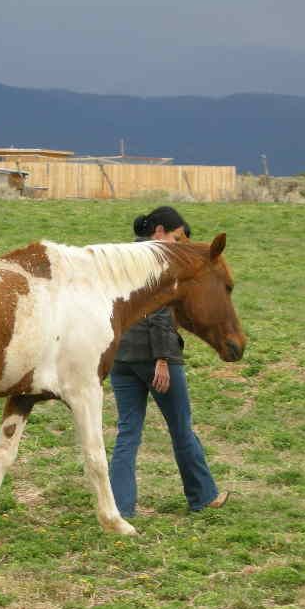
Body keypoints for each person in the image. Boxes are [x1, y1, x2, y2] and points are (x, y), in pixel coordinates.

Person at [107, 206, 229, 518]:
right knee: (181, 427)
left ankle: (120, 507)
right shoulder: (158, 260)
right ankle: (203, 496)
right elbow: (160, 314)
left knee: (127, 433)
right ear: (159, 231)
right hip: (154, 357)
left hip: (121, 357)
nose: (179, 245)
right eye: (176, 238)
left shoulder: (119, 258)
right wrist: (162, 358)